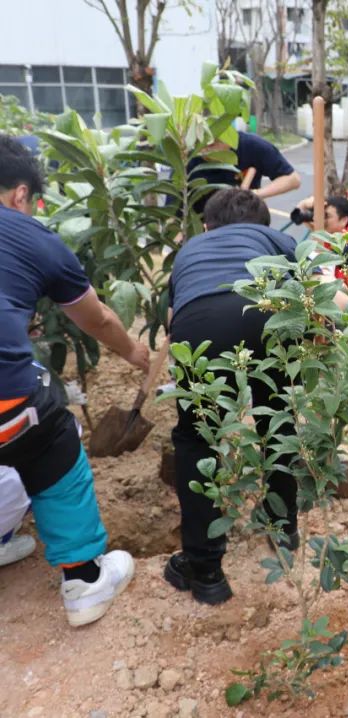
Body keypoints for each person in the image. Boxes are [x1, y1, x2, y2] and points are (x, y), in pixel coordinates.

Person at [165, 188, 348, 605]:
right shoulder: (277, 241)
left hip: (200, 319)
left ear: (208, 226)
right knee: (276, 416)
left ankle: (205, 571)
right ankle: (283, 527)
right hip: (268, 313)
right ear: (262, 225)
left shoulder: (191, 249)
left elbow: (172, 321)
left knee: (197, 438)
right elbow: (326, 290)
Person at [0, 135, 150, 626]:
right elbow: (100, 319)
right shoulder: (33, 237)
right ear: (20, 195)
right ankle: (84, 579)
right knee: (47, 436)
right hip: (7, 404)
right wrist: (134, 353)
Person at [187, 131, 301, 212]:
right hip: (204, 232)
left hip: (247, 225)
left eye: (214, 144)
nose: (208, 150)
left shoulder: (251, 145)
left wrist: (253, 195)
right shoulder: (187, 158)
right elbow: (175, 213)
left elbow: (292, 179)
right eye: (203, 146)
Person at [291, 195, 348, 286]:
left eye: (326, 216)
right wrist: (304, 204)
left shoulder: (347, 247)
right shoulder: (328, 234)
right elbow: (298, 217)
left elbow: (322, 267)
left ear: (344, 220)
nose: (320, 219)